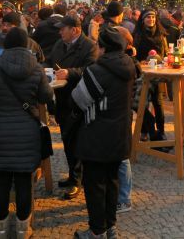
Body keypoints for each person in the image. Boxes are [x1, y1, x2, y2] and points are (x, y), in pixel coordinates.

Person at [0, 27, 53, 239]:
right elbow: (46, 96)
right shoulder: (37, 69)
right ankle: (22, 229)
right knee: (24, 183)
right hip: (28, 134)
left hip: (0, 132)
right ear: (27, 45)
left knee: (1, 181)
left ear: (5, 45)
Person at [73, 26, 136, 239]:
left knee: (95, 185)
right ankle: (110, 227)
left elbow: (80, 100)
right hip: (120, 135)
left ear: (102, 48)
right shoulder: (129, 66)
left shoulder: (96, 70)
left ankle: (96, 231)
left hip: (96, 137)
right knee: (112, 182)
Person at [48, 15, 99, 199]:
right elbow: (50, 61)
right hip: (62, 99)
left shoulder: (89, 46)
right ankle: (72, 176)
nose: (60, 31)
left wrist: (69, 72)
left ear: (75, 30)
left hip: (79, 100)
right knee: (67, 139)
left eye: (63, 28)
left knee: (77, 140)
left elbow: (91, 69)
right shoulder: (59, 44)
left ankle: (78, 180)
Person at [133, 8, 168, 142]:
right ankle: (144, 130)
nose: (151, 20)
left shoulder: (161, 34)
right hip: (142, 74)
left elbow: (164, 54)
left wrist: (160, 58)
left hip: (157, 73)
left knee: (158, 103)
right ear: (143, 20)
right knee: (143, 103)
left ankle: (161, 130)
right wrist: (140, 61)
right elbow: (134, 54)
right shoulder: (137, 35)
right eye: (148, 17)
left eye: (153, 17)